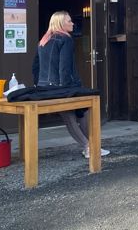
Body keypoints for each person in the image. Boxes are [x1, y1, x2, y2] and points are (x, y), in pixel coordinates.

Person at [33, 11, 109, 158]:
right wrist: (66, 88)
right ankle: (89, 147)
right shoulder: (65, 39)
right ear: (61, 23)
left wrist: (38, 85)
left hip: (46, 86)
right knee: (77, 113)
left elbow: (35, 66)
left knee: (77, 113)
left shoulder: (43, 41)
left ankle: (92, 147)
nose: (72, 23)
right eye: (69, 21)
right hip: (65, 86)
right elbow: (64, 67)